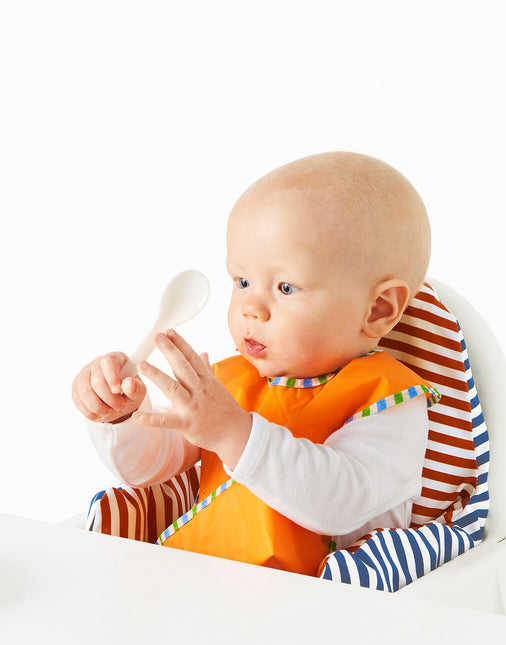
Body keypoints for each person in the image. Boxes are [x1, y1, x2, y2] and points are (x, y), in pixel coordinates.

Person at [71, 151, 438, 576]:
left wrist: (234, 433)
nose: (251, 308)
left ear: (376, 310)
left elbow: (342, 501)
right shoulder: (234, 382)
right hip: (205, 584)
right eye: (242, 282)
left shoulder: (391, 401)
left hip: (323, 613)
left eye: (285, 287)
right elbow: (150, 470)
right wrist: (124, 417)